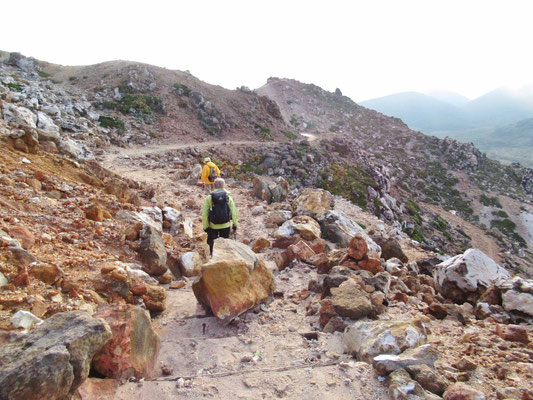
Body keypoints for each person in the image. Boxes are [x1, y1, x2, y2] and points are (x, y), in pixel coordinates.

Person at [202, 178, 238, 255]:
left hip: (213, 226)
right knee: (224, 245)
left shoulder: (209, 198)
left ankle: (212, 258)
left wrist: (206, 227)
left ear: (214, 185)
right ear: (224, 186)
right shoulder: (228, 197)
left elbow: (204, 214)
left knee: (212, 245)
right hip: (226, 225)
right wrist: (235, 224)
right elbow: (234, 212)